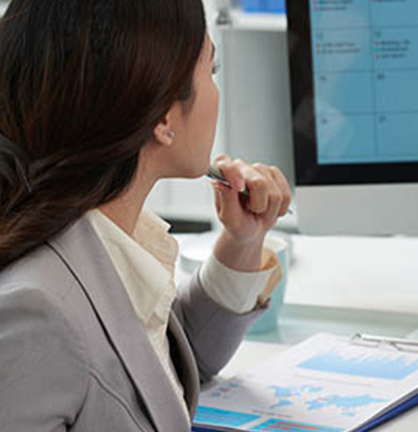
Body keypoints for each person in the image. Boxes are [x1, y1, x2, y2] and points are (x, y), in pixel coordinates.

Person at [0, 0, 290, 430]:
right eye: (211, 70)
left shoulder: (99, 235)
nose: (216, 90)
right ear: (164, 118)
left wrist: (243, 242)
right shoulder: (36, 314)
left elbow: (160, 366)